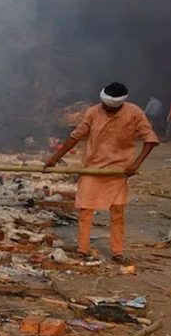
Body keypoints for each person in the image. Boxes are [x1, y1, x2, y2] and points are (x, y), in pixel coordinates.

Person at [45, 82, 159, 263]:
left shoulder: (134, 113)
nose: (106, 110)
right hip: (93, 169)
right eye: (105, 106)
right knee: (85, 211)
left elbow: (150, 139)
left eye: (111, 108)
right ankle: (83, 248)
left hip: (118, 171)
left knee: (118, 213)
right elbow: (75, 136)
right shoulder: (93, 112)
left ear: (120, 104)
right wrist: (54, 158)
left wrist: (135, 164)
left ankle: (117, 252)